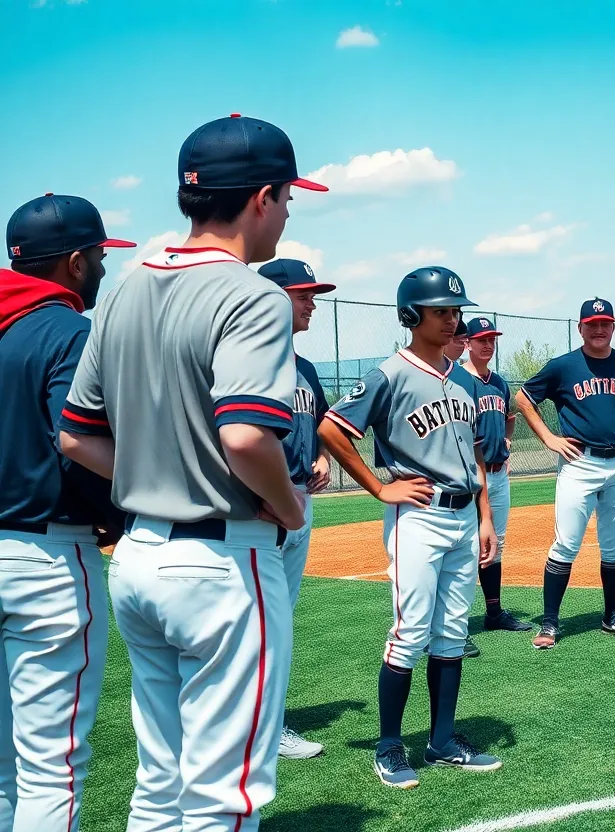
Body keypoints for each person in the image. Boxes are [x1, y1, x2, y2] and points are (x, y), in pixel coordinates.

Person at [58, 114, 324, 829]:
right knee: (222, 797)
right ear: (262, 197)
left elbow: (77, 438)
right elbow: (244, 436)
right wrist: (290, 507)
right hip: (221, 564)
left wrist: (156, 475)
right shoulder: (254, 292)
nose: (289, 210)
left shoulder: (122, 292)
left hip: (138, 556)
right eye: (288, 196)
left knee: (160, 783)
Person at [318, 267, 503, 789]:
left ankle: (443, 741)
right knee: (411, 631)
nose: (452, 320)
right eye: (441, 311)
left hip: (465, 515)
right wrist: (379, 488)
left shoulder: (464, 378)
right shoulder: (388, 374)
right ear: (411, 315)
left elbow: (477, 455)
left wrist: (486, 516)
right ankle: (389, 746)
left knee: (451, 632)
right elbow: (331, 427)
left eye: (455, 311)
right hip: (417, 516)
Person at [0, 194, 132, 831]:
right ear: (77, 261)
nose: (105, 269)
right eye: (102, 256)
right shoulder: (68, 329)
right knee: (51, 766)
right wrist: (117, 511)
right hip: (44, 558)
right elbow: (75, 441)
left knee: (0, 764)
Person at [515, 298, 615, 650]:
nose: (599, 330)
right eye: (592, 323)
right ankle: (550, 623)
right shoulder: (563, 366)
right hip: (579, 464)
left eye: (605, 323)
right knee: (566, 544)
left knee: (613, 545)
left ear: (614, 327)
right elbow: (523, 398)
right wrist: (549, 438)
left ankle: (612, 615)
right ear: (580, 328)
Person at [255, 258, 335, 760]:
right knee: (259, 623)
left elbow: (323, 421)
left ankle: (270, 721)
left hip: (298, 501)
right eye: (302, 294)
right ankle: (264, 727)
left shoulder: (303, 367)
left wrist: (323, 455)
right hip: (261, 507)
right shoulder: (249, 357)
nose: (311, 303)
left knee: (279, 620)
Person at [463, 316, 533, 640]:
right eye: (482, 340)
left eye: (492, 340)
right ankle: (455, 623)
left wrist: (507, 441)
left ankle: (493, 612)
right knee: (465, 547)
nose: (488, 345)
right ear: (467, 343)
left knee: (496, 545)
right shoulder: (460, 381)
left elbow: (509, 418)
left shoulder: (499, 382)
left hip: (498, 474)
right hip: (469, 478)